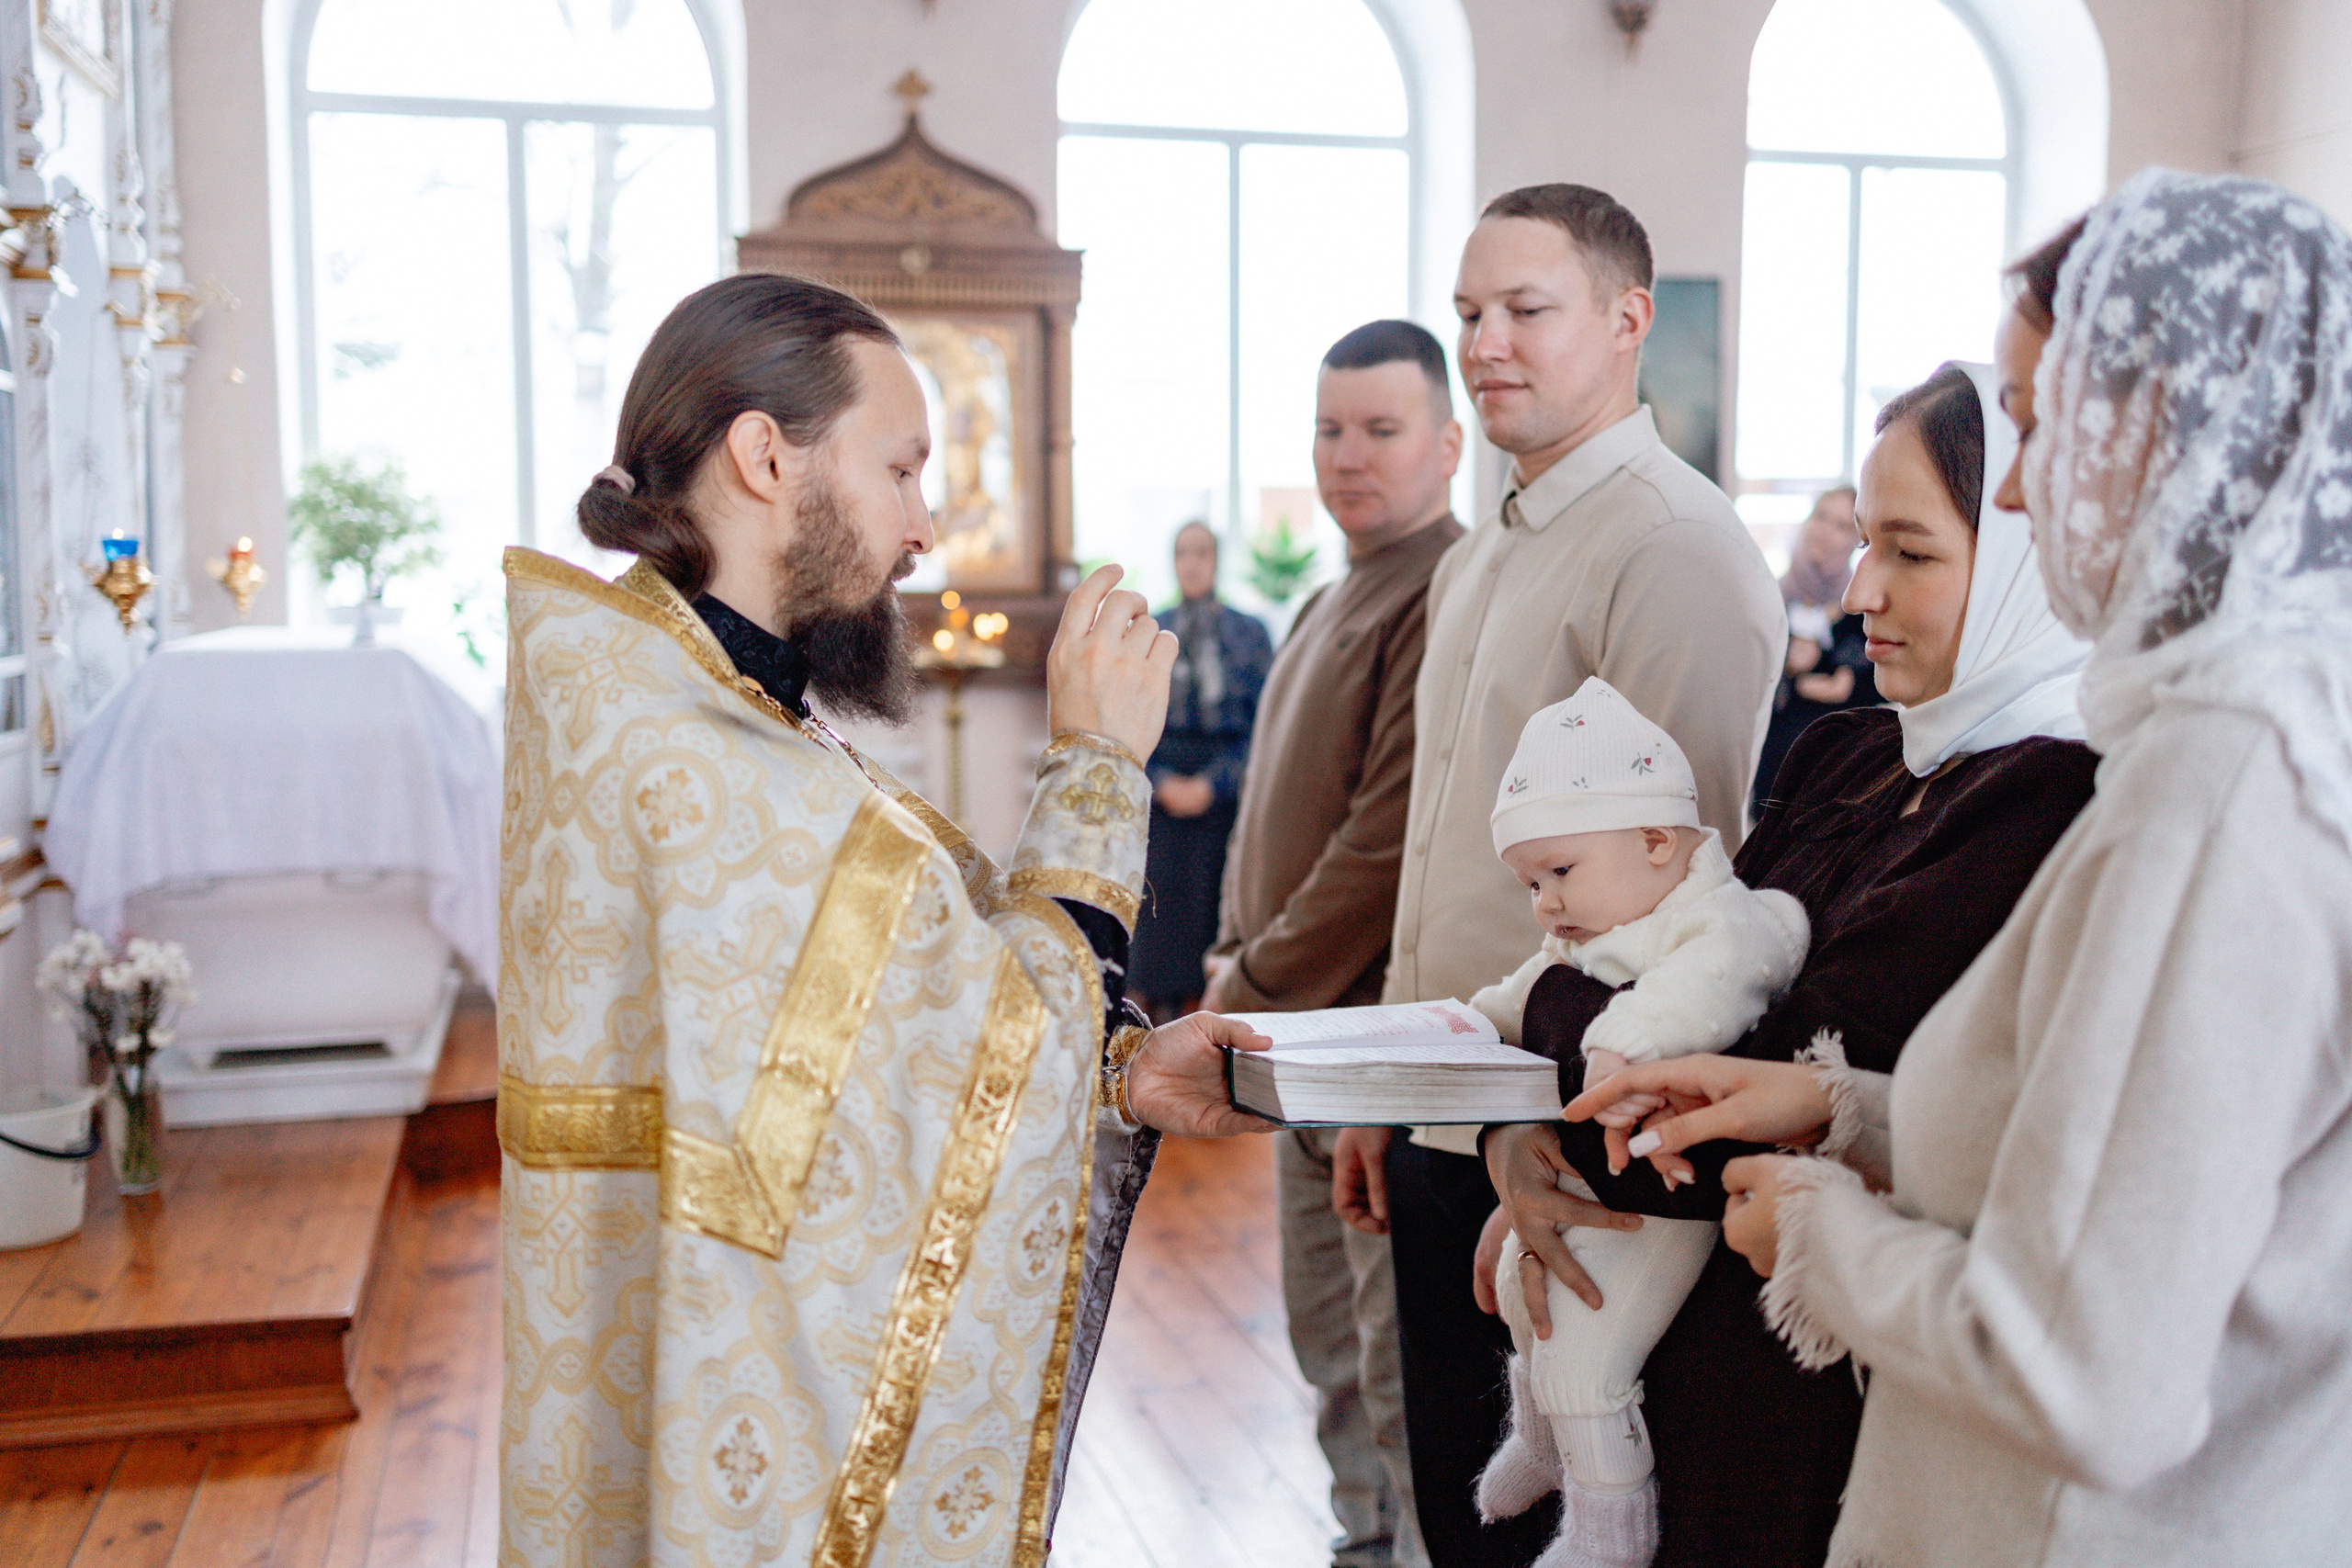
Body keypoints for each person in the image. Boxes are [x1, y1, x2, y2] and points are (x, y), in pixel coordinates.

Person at [498, 273, 1272, 1568]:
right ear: (765, 456)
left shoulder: (685, 696)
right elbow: (956, 1065)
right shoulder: (688, 755)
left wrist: (1117, 1073)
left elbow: (873, 1066)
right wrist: (1095, 766)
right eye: (902, 469)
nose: (923, 526)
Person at [1640, 171, 2352, 1568]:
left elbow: (2082, 1372)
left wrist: (1823, 1237)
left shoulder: (2222, 778)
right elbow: (2133, 1156)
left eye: (2036, 421)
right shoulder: (2268, 723)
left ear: (2164, 428)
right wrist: (1844, 1110)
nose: (2018, 483)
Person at [1480, 354, 2097, 1567]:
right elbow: (1672, 964)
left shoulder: (2054, 798)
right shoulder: (1844, 752)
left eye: (1911, 552)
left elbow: (1729, 1109)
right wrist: (1522, 1135)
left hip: (1827, 1410)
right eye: (1863, 540)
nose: (1860, 588)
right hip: (1675, 1351)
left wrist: (1543, 1024)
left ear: (2035, 559)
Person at [1329, 184, 1784, 1568]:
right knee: (1454, 1503)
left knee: (1543, 1520)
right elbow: (1436, 851)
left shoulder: (1672, 546)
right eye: (1470, 311)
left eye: (1526, 309)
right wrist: (1393, 1077)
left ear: (1629, 319)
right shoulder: (1484, 551)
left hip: (1560, 1147)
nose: (1485, 343)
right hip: (1452, 1109)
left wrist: (1531, 1132)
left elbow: (1675, 899)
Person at [1202, 318, 1465, 1568]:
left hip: (1367, 1039)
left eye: (1380, 429)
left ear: (1448, 444)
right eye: (1328, 429)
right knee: (1326, 1340)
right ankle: (1361, 1540)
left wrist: (1248, 976)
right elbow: (1270, 804)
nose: (1347, 455)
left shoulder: (1443, 589)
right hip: (1297, 1039)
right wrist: (1231, 948)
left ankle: (1403, 1546)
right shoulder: (1325, 594)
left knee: (1391, 1350)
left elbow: (1382, 842)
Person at [1464, 678, 1808, 1568]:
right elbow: (1525, 991)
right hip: (1595, 1175)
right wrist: (1463, 1025)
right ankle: (1544, 1447)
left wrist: (1615, 1046)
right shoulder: (1596, 928)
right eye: (1531, 882)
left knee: (1587, 1363)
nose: (1545, 902)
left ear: (1656, 839)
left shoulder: (1718, 920)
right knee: (1520, 1292)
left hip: (1662, 1201)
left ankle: (1607, 1536)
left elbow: (1702, 986)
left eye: (1560, 872)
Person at [1128, 520, 1271, 1021]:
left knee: (1213, 901)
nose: (1192, 563)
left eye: (1202, 552)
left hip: (1224, 790)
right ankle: (1151, 1019)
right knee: (1158, 904)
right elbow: (1128, 719)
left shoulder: (1250, 633)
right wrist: (1160, 782)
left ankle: (1212, 1008)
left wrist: (1216, 785)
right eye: (1183, 552)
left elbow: (1264, 726)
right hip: (1161, 784)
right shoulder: (1148, 632)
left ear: (1217, 560)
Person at [1751, 488, 1876, 819]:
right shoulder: (1769, 598)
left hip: (1835, 784)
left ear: (1857, 540)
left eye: (1842, 526)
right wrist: (1792, 675)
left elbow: (1870, 687)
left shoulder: (1863, 609)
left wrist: (1841, 683)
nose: (1825, 531)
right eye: (1820, 517)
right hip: (1771, 774)